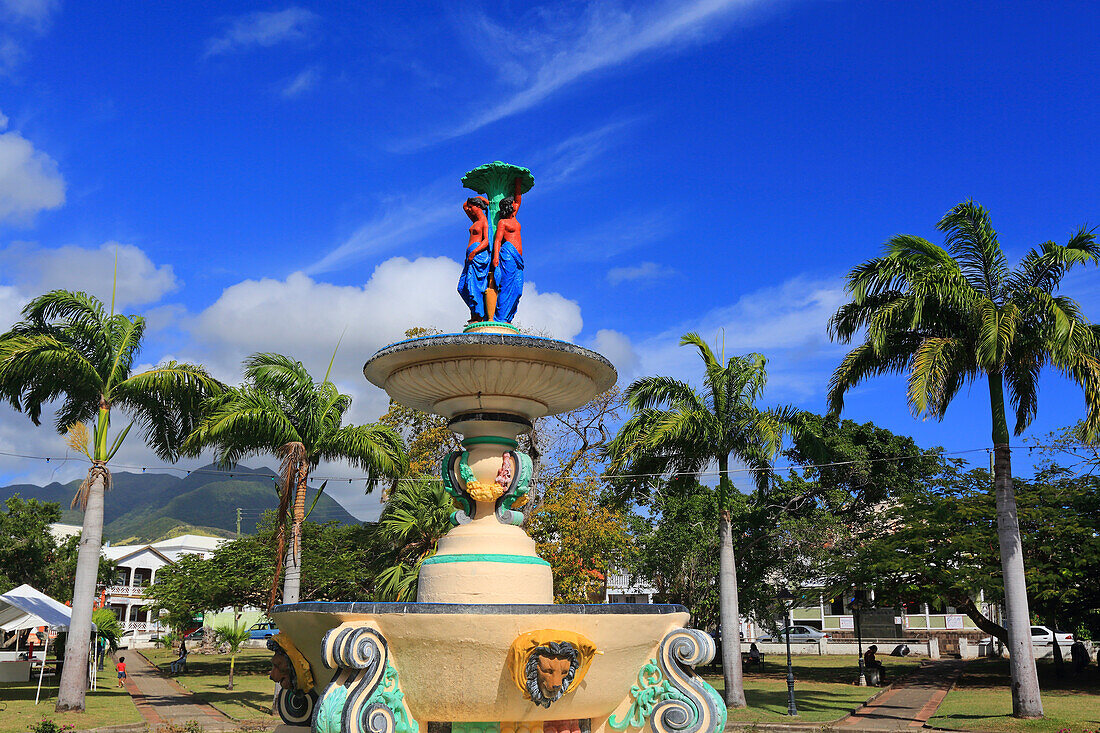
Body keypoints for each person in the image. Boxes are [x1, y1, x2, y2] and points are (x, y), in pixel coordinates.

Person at [491, 177, 524, 323]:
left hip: (518, 259)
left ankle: (508, 317)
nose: (515, 205)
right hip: (507, 255)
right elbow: (497, 240)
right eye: (512, 204)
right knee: (506, 286)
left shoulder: (514, 217)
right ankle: (501, 318)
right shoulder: (503, 222)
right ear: (508, 207)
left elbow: (518, 199)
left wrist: (517, 182)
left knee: (517, 289)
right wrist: (495, 258)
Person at [458, 196, 492, 321]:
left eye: (472, 207)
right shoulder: (475, 220)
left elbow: (487, 241)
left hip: (478, 256)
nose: (470, 210)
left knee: (474, 286)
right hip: (470, 257)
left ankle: (478, 314)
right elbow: (464, 205)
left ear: (478, 207)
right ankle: (475, 311)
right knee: (462, 287)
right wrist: (476, 199)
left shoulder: (484, 221)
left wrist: (475, 252)